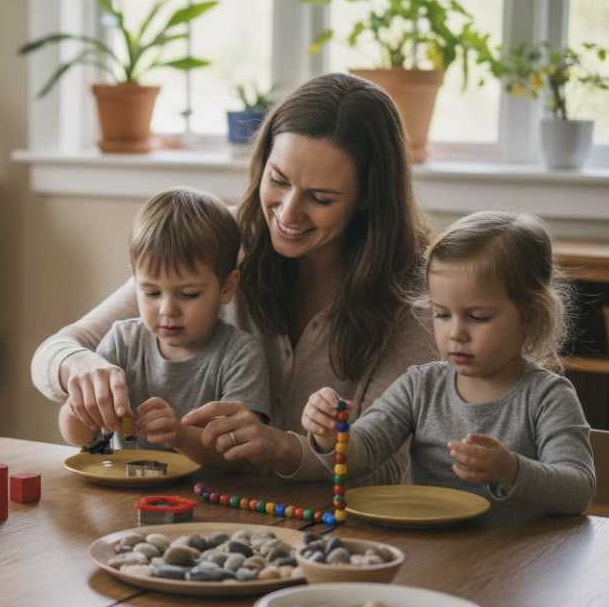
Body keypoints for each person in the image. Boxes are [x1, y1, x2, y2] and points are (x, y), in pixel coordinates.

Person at [32, 72, 439, 486]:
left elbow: (387, 465)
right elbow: (56, 350)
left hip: (332, 527)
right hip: (206, 510)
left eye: (320, 198)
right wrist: (77, 365)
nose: (288, 212)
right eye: (278, 180)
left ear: (368, 196)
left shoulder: (415, 296)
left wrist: (282, 447)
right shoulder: (219, 240)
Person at [302, 211, 595, 513]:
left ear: (531, 316)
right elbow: (364, 452)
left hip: (517, 557)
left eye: (477, 317)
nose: (456, 333)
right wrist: (329, 436)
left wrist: (512, 470)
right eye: (442, 314)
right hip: (429, 551)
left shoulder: (548, 397)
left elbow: (579, 488)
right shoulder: (420, 386)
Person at [57, 187, 270, 468]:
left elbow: (239, 453)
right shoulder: (122, 341)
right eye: (151, 293)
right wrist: (77, 410)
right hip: (127, 496)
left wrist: (181, 436)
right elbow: (81, 438)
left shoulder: (240, 354)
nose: (167, 309)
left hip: (211, 501)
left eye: (189, 294)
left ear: (227, 287)